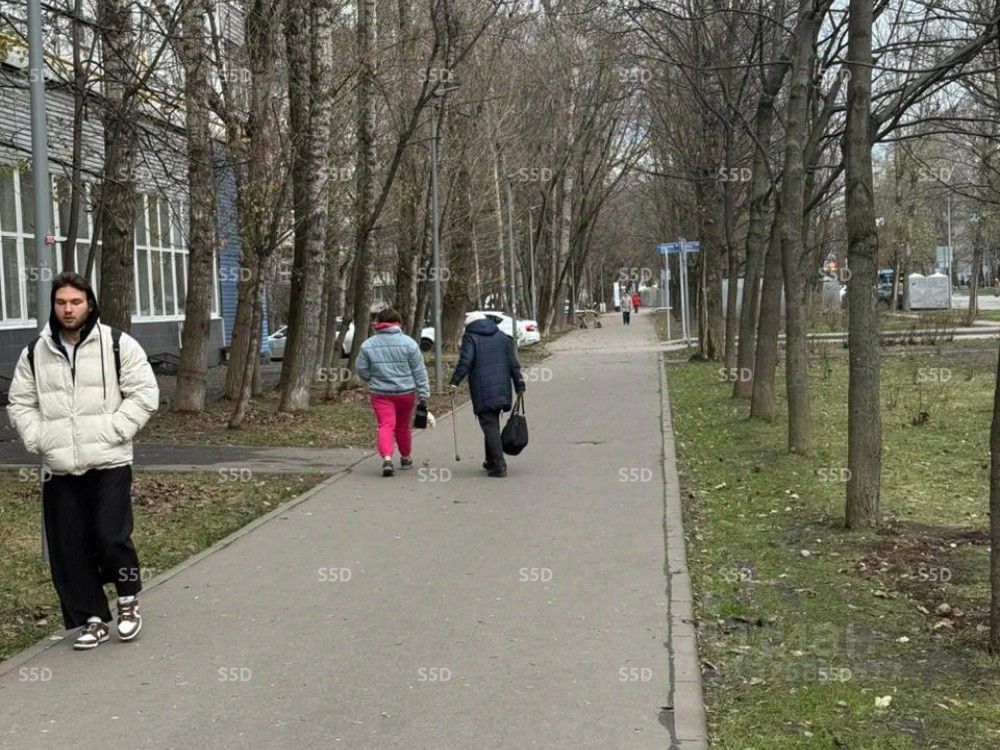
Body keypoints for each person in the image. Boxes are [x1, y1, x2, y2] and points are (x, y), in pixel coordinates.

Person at [7, 272, 159, 650]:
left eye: (75, 302)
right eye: (61, 302)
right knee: (69, 546)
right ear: (53, 307)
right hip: (59, 466)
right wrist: (38, 438)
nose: (68, 309)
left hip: (109, 461)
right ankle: (92, 618)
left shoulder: (117, 344)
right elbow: (20, 402)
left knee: (111, 535)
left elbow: (144, 393)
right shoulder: (35, 352)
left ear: (89, 304)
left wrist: (116, 430)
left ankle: (127, 600)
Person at [449, 312, 526, 478]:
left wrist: (454, 382)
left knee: (489, 425)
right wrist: (519, 384)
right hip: (502, 387)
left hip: (483, 388)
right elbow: (514, 364)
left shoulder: (470, 337)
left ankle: (499, 465)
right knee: (492, 423)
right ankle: (490, 460)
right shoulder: (502, 336)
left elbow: (465, 361)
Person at [356, 308, 431, 477]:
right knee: (403, 426)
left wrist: (371, 378)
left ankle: (387, 458)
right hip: (405, 393)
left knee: (385, 425)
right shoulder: (409, 344)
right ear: (399, 324)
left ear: (379, 323)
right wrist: (424, 393)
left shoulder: (368, 344)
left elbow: (361, 369)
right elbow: (419, 371)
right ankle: (405, 457)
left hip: (380, 393)